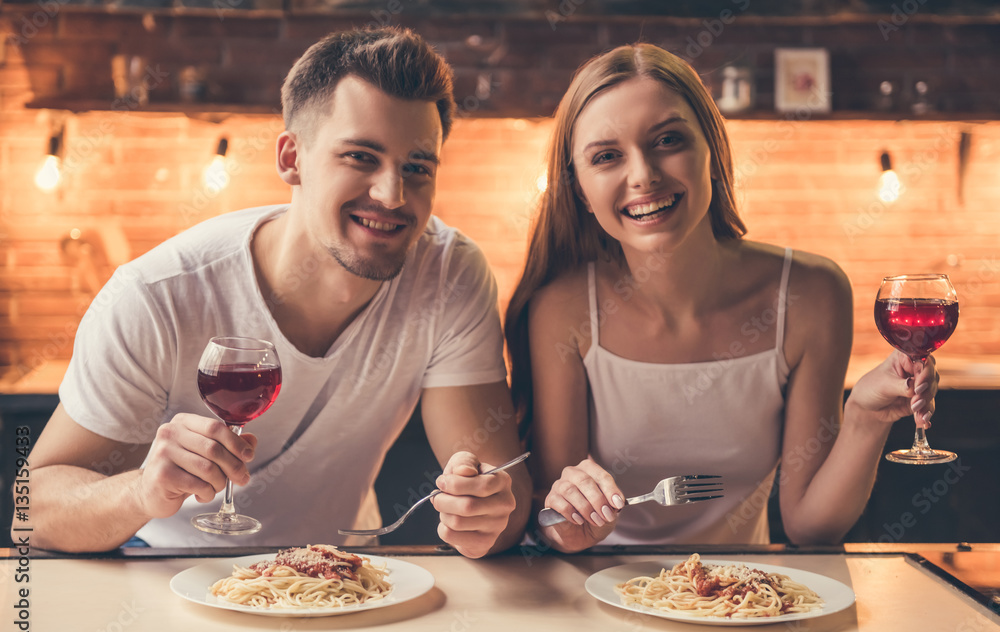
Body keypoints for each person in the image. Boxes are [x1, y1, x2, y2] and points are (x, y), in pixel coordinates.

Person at [22, 27, 530, 558]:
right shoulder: (158, 296)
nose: (391, 194)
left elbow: (503, 496)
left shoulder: (449, 272)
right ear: (291, 159)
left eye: (417, 167)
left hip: (345, 577)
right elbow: (31, 512)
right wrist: (141, 490)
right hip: (168, 573)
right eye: (360, 156)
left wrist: (486, 514)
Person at [504, 43, 939, 552]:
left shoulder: (810, 294)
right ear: (580, 189)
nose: (643, 175)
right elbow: (554, 519)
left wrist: (866, 416)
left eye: (667, 140)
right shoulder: (561, 308)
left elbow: (809, 526)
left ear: (710, 150)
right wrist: (569, 523)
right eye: (606, 157)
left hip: (739, 601)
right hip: (596, 597)